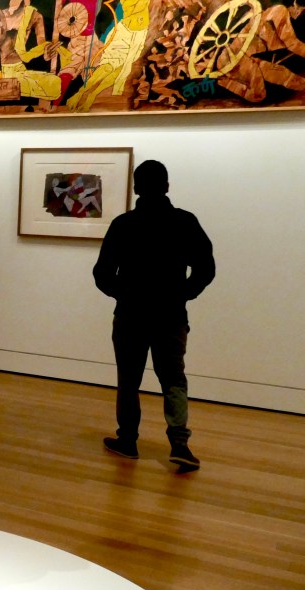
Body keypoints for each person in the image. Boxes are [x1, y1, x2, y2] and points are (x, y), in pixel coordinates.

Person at [93, 159, 215, 472]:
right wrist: (183, 293)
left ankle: (128, 440)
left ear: (136, 188)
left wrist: (124, 293)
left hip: (130, 315)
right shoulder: (184, 222)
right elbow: (206, 268)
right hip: (171, 315)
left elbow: (102, 274)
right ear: (167, 186)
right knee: (173, 379)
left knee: (129, 379)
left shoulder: (123, 224)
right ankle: (180, 445)